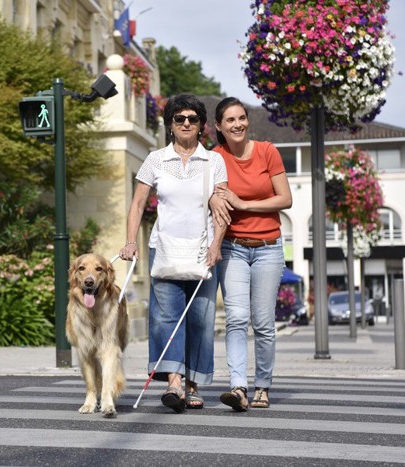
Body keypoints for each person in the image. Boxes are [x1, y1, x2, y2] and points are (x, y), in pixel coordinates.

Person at [119, 94, 227, 412]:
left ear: (201, 125)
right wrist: (130, 242)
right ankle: (174, 383)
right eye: (179, 119)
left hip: (202, 252)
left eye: (192, 119)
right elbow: (138, 203)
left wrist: (217, 245)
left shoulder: (214, 162)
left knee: (200, 319)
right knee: (166, 317)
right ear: (170, 124)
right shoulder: (155, 160)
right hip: (163, 248)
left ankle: (193, 385)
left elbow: (221, 210)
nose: (186, 124)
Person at [210, 97, 292, 411]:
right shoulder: (215, 158)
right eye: (230, 120)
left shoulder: (267, 151)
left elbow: (284, 199)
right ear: (219, 126)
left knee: (262, 322)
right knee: (236, 319)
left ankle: (263, 385)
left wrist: (244, 205)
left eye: (241, 118)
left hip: (268, 248)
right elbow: (212, 199)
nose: (238, 124)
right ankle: (238, 387)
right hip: (233, 247)